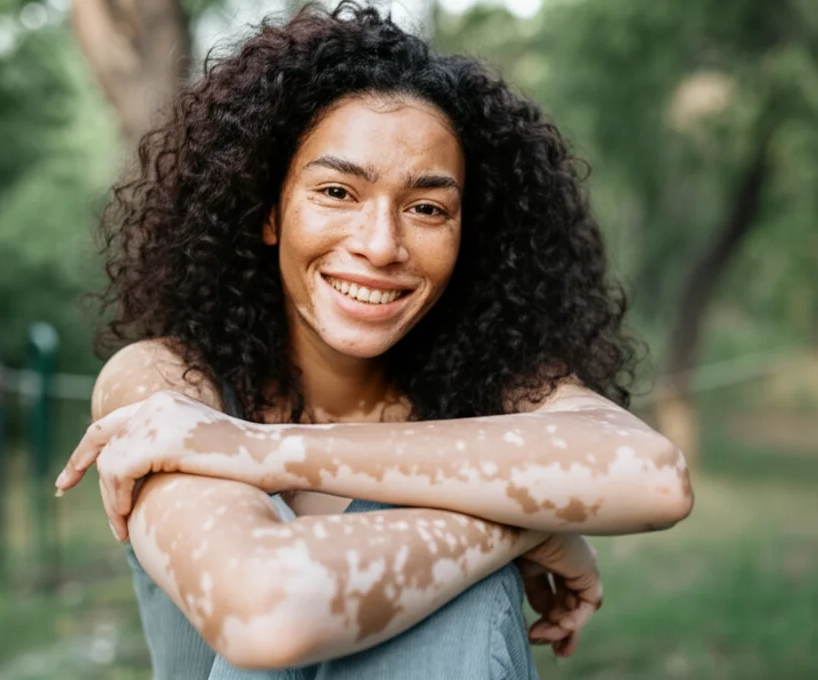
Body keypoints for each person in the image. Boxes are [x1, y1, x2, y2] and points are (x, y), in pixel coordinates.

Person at [55, 3, 694, 678]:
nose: (381, 245)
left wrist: (259, 450)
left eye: (426, 208)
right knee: (440, 542)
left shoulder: (491, 385)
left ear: (465, 233)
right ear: (269, 211)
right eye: (337, 191)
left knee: (452, 587)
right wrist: (524, 524)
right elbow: (266, 611)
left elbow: (655, 478)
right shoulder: (165, 386)